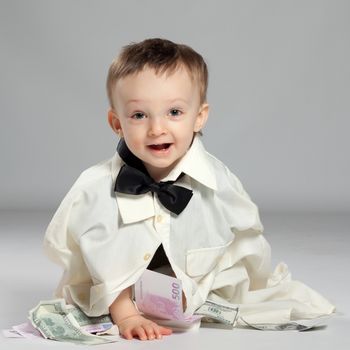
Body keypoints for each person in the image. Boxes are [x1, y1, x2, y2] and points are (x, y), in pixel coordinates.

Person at [44, 38, 335, 341]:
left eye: (174, 112)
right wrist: (126, 314)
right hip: (120, 286)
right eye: (139, 115)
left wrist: (233, 284)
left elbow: (245, 236)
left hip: (187, 275)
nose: (157, 128)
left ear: (199, 116)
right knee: (113, 247)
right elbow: (100, 256)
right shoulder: (96, 188)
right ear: (116, 123)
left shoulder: (218, 180)